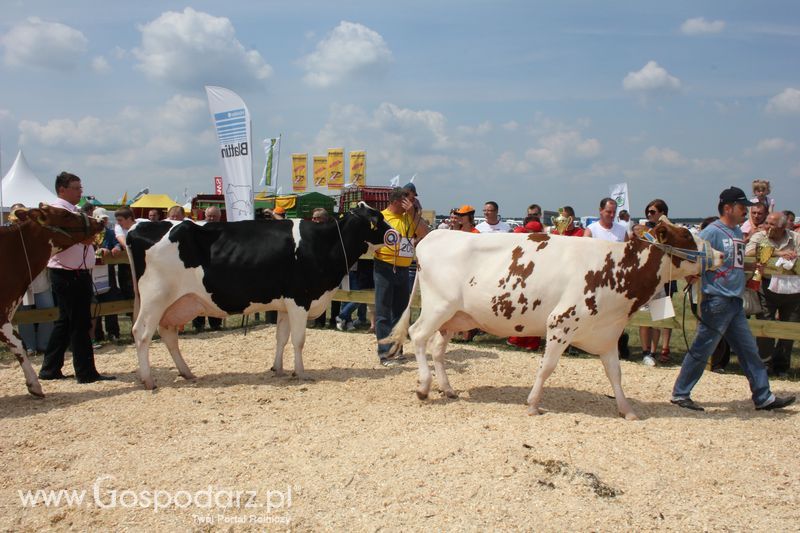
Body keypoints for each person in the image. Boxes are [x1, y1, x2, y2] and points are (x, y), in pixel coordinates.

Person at [670, 186, 795, 411]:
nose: (745, 212)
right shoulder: (712, 232)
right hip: (717, 300)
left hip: (734, 301)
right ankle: (680, 393)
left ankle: (763, 396)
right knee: (702, 349)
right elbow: (695, 259)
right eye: (741, 207)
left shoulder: (738, 233)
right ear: (728, 208)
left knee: (748, 350)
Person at [38, 172, 115, 383]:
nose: (80, 191)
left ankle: (50, 369)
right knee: (80, 323)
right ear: (62, 189)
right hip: (68, 273)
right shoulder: (59, 212)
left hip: (74, 272)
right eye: (76, 187)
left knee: (65, 322)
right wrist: (87, 236)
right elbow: (67, 238)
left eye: (80, 187)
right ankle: (85, 372)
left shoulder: (73, 212)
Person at [374, 187, 429, 366]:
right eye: (409, 200)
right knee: (383, 312)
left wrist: (413, 214)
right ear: (398, 200)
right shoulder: (381, 217)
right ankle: (385, 353)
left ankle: (397, 350)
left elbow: (424, 233)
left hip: (404, 269)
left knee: (401, 312)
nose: (412, 203)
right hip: (385, 267)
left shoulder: (409, 217)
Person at [746, 211, 800, 377]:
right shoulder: (760, 236)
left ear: (783, 226)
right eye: (767, 222)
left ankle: (782, 366)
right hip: (766, 285)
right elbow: (749, 253)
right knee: (765, 324)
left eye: (772, 224)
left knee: (789, 326)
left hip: (794, 288)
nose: (767, 227)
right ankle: (764, 364)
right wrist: (777, 253)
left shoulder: (795, 238)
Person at [584, 197, 630, 359]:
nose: (611, 215)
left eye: (613, 212)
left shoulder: (621, 231)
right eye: (608, 212)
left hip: (616, 280)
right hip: (596, 279)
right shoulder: (591, 230)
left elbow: (627, 254)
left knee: (615, 315)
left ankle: (615, 344)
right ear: (601, 211)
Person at [10, 204, 55, 355]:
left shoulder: (38, 234)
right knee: (25, 315)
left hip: (40, 280)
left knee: (48, 310)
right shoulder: (10, 238)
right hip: (20, 283)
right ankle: (29, 346)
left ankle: (44, 344)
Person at [637, 199, 676, 366]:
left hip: (663, 278)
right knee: (644, 316)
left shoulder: (671, 231)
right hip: (646, 279)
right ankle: (645, 351)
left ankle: (654, 351)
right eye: (648, 211)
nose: (648, 215)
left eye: (652, 212)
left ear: (662, 213)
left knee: (660, 316)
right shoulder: (645, 230)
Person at [193, 206, 224, 332]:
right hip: (200, 266)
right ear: (205, 216)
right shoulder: (198, 228)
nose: (211, 218)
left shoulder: (224, 229)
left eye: (214, 216)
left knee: (217, 295)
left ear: (219, 217)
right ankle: (198, 325)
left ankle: (215, 323)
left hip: (218, 266)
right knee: (197, 295)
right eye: (209, 216)